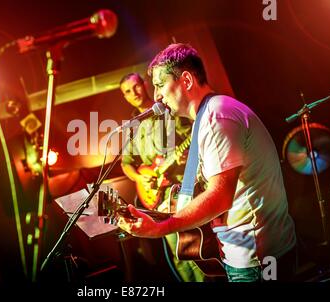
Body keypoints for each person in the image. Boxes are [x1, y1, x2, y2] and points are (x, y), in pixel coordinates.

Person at [118, 43, 298, 282]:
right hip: (254, 253)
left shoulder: (216, 117)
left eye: (160, 85)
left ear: (187, 81)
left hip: (258, 259)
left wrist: (161, 227)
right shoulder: (207, 117)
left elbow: (220, 196)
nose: (156, 96)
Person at [119, 72, 207, 282]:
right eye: (128, 92)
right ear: (125, 97)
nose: (135, 93)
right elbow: (126, 163)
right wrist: (140, 179)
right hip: (158, 199)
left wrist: (188, 153)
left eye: (136, 86)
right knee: (178, 254)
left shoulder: (168, 110)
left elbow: (193, 136)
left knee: (196, 246)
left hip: (184, 190)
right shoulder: (132, 126)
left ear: (145, 84)